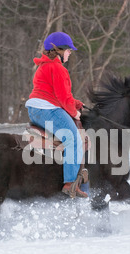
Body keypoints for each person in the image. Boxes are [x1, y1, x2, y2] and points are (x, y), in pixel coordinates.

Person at [25, 31, 88, 198]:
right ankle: (70, 184)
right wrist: (75, 113)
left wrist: (76, 103)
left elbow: (56, 94)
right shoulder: (57, 68)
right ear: (59, 50)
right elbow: (63, 98)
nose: (70, 53)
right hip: (48, 110)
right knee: (73, 138)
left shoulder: (44, 66)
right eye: (68, 50)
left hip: (37, 109)